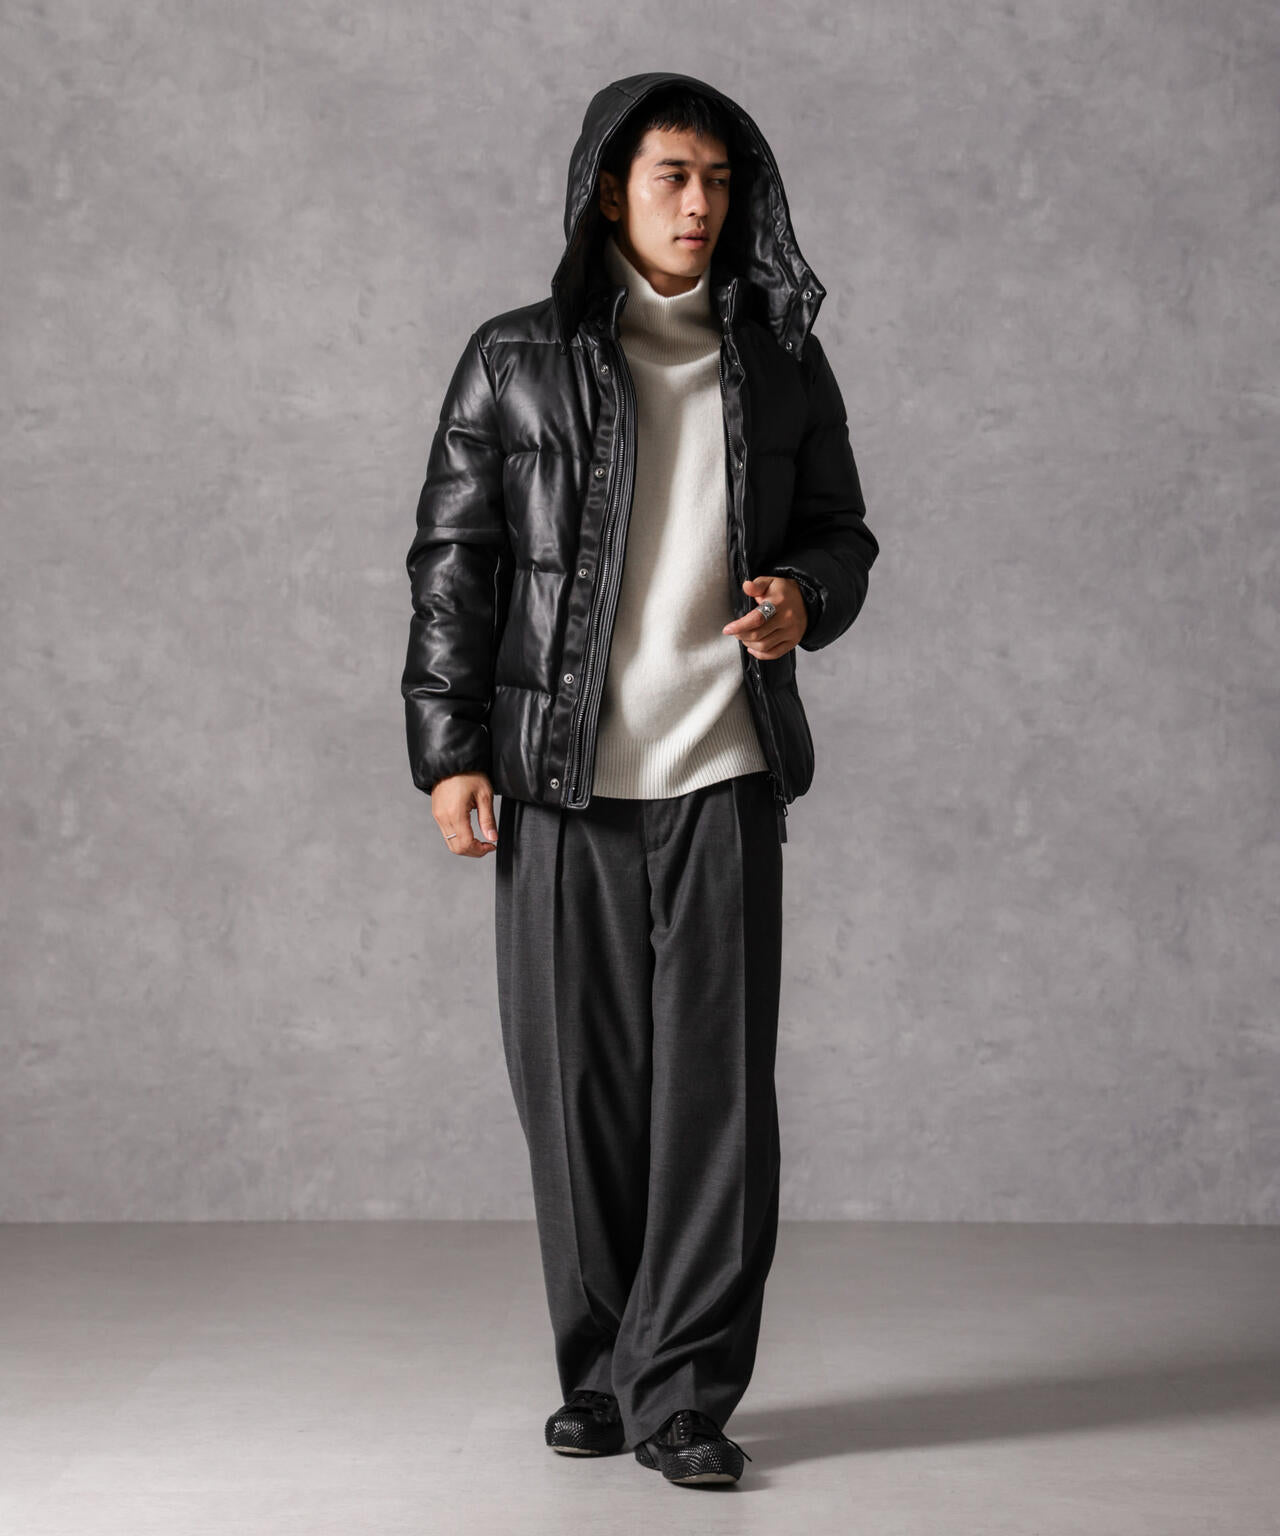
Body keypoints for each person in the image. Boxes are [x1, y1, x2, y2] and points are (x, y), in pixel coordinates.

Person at [400, 71, 879, 1489]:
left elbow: (844, 531)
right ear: (612, 188)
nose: (699, 204)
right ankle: (602, 1372)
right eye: (674, 175)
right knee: (577, 1092)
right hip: (559, 781)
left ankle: (684, 1396)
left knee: (715, 1104)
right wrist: (448, 754)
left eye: (721, 181)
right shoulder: (513, 358)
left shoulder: (780, 357)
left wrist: (806, 596)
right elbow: (454, 567)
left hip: (723, 769)